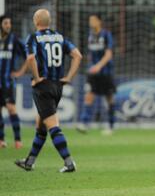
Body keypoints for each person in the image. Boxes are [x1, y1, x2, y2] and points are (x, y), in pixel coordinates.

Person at [15, 9, 82, 172]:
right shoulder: (60, 37)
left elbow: (30, 58)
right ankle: (29, 162)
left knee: (52, 125)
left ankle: (69, 163)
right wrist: (68, 77)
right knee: (41, 125)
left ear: (35, 21)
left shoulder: (33, 37)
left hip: (43, 87)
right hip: (58, 86)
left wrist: (37, 78)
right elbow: (78, 55)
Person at [77, 14, 116, 135]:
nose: (91, 22)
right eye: (90, 20)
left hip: (105, 72)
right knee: (89, 94)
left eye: (93, 20)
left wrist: (99, 66)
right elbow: (90, 54)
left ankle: (111, 126)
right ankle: (84, 123)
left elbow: (109, 54)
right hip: (93, 73)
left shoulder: (106, 35)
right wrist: (91, 65)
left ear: (99, 21)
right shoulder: (90, 36)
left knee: (109, 98)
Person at [0, 14, 27, 149]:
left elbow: (28, 56)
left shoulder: (14, 40)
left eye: (9, 23)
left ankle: (17, 139)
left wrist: (20, 72)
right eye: (6, 23)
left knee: (11, 109)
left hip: (7, 82)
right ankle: (1, 140)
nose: (8, 25)